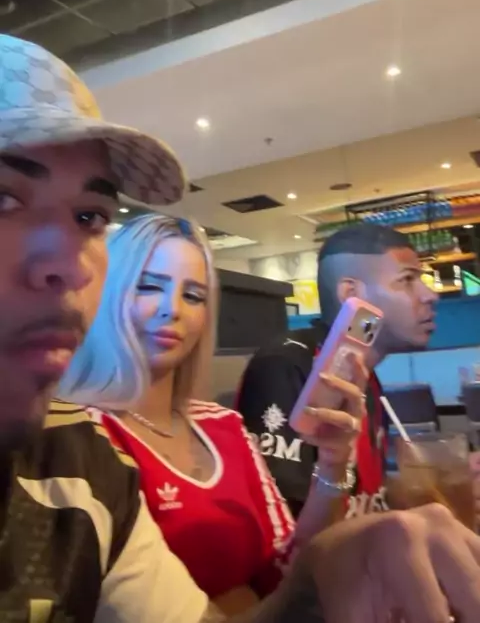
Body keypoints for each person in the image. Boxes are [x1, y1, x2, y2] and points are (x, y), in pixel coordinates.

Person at [1, 33, 480, 623]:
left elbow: (282, 571)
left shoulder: (87, 459)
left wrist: (333, 504)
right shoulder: (97, 434)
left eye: (88, 216)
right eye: (4, 198)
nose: (71, 263)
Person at [59, 213, 368, 611]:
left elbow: (290, 569)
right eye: (149, 286)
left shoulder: (224, 425)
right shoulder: (77, 434)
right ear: (107, 293)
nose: (172, 309)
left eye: (193, 296)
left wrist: (332, 463)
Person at [237, 224, 438, 518]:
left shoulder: (365, 375)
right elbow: (288, 525)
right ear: (351, 294)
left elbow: (367, 498)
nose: (430, 295)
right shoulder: (287, 364)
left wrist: (434, 490)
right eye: (407, 279)